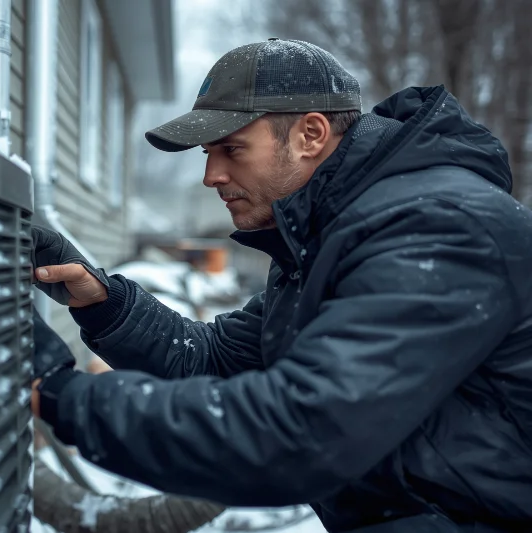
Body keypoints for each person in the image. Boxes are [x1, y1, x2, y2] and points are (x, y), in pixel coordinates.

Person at [28, 39, 532, 533]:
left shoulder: (438, 228)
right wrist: (104, 305)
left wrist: (64, 399)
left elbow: (302, 434)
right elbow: (211, 362)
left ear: (310, 134)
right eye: (208, 153)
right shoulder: (329, 236)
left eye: (232, 149)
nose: (211, 175)